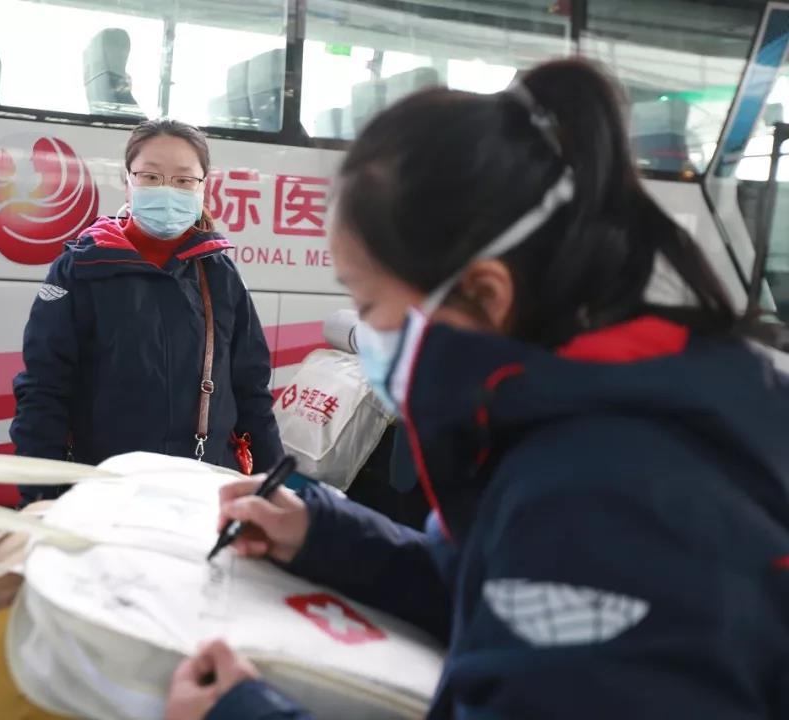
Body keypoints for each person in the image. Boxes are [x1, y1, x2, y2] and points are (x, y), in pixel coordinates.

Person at [164, 59, 789, 719]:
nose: (362, 333)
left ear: (487, 294)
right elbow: (502, 588)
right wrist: (324, 537)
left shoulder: (597, 491)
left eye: (369, 305)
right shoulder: (607, 405)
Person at [11, 119, 282, 502]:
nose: (167, 191)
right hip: (103, 492)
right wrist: (38, 497)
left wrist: (274, 489)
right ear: (128, 181)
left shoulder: (219, 273)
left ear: (203, 187)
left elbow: (251, 390)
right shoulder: (80, 269)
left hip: (203, 491)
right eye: (151, 177)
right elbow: (44, 391)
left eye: (184, 180)